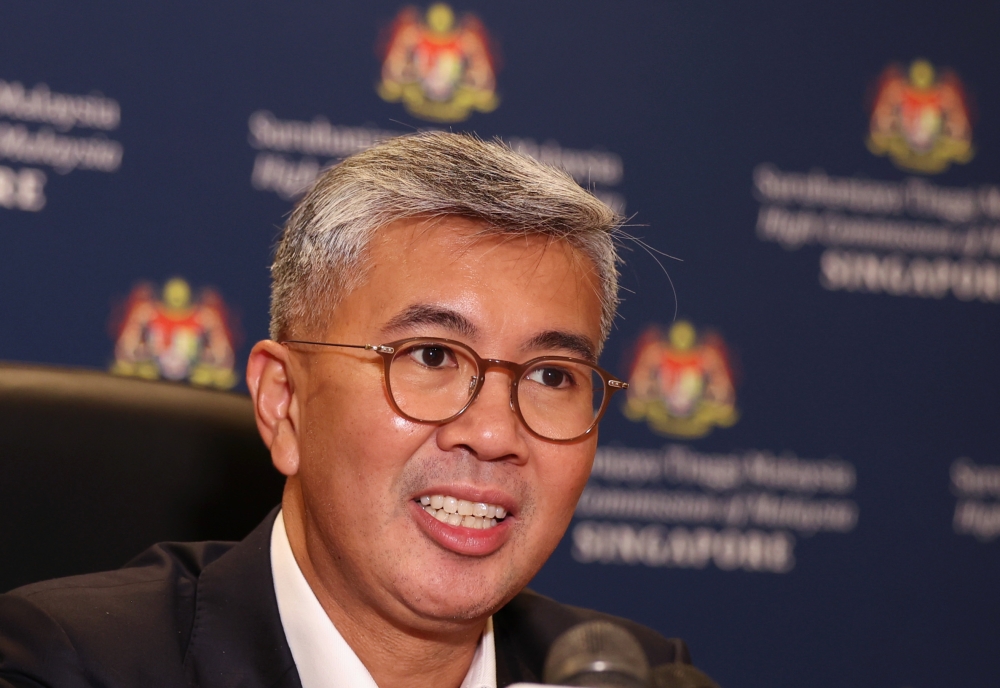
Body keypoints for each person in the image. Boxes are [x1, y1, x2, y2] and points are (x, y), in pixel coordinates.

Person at [0, 132, 689, 688]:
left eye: (550, 373)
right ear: (284, 402)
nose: (493, 433)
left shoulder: (637, 678)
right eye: (432, 357)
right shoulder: (66, 666)